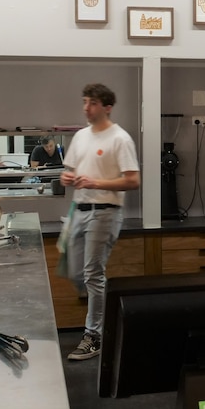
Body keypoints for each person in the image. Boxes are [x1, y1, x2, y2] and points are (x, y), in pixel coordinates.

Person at [60, 84, 140, 360]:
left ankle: (94, 335)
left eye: (92, 102)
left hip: (105, 212)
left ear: (107, 107)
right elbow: (67, 172)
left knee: (93, 273)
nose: (86, 107)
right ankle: (111, 320)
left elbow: (133, 180)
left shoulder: (120, 139)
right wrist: (67, 178)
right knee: (75, 273)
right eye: (84, 101)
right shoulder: (81, 137)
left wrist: (96, 182)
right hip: (78, 210)